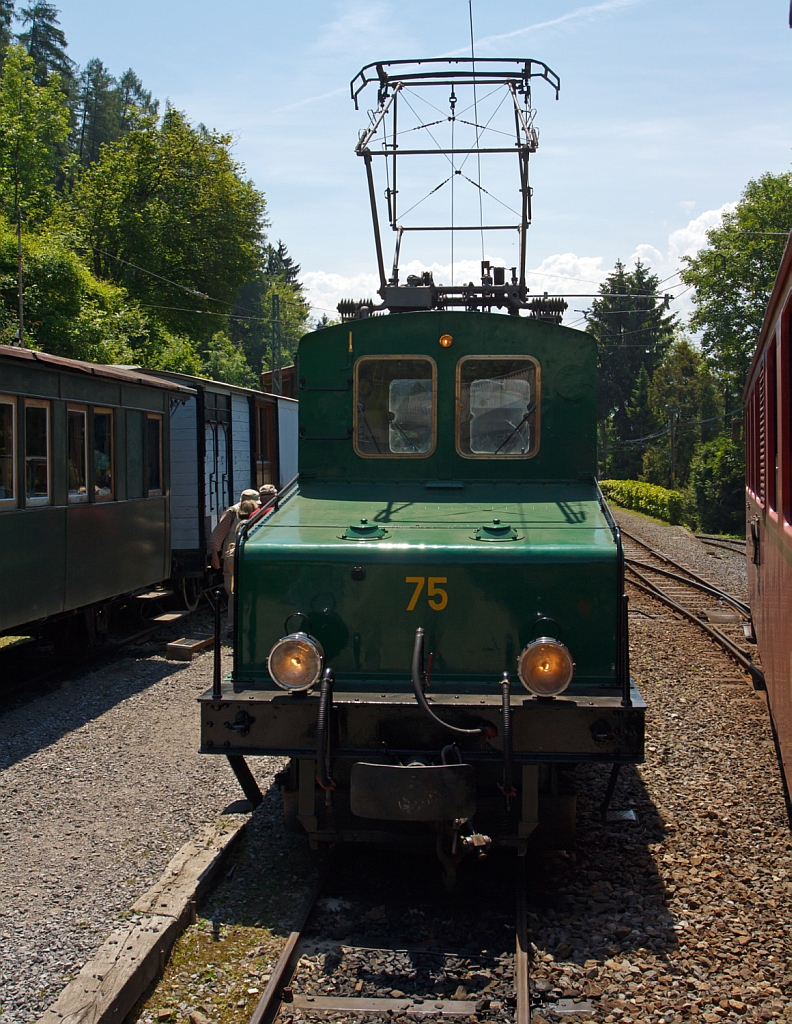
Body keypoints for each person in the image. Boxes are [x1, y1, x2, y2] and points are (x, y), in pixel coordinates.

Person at [209, 489, 260, 621]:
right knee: (233, 591)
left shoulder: (260, 511)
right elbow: (217, 535)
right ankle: (234, 624)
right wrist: (215, 556)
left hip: (245, 557)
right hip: (232, 559)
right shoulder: (232, 513)